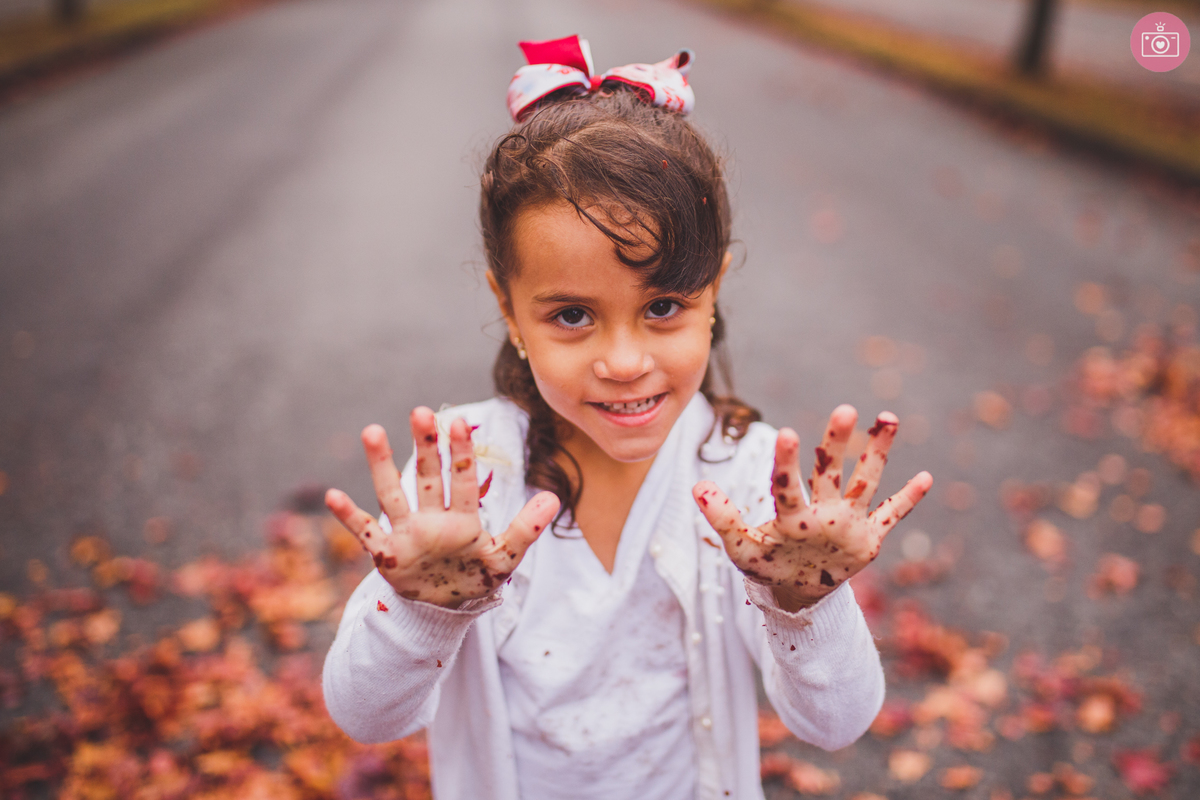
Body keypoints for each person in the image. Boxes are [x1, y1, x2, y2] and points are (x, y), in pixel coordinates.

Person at [322, 35, 933, 800]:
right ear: (508, 308)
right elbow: (365, 717)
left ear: (713, 292)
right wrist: (420, 611)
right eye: (573, 315)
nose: (623, 360)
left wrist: (804, 604)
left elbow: (836, 723)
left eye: (664, 307)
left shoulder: (745, 477)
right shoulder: (463, 480)